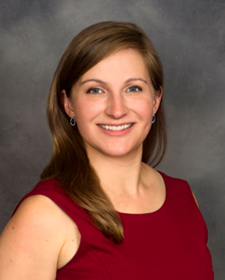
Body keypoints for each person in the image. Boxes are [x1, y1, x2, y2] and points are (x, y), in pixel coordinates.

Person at [0, 21, 214, 279]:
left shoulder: (185, 198)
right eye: (96, 90)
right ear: (68, 103)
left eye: (133, 88)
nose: (116, 110)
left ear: (156, 100)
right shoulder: (42, 216)